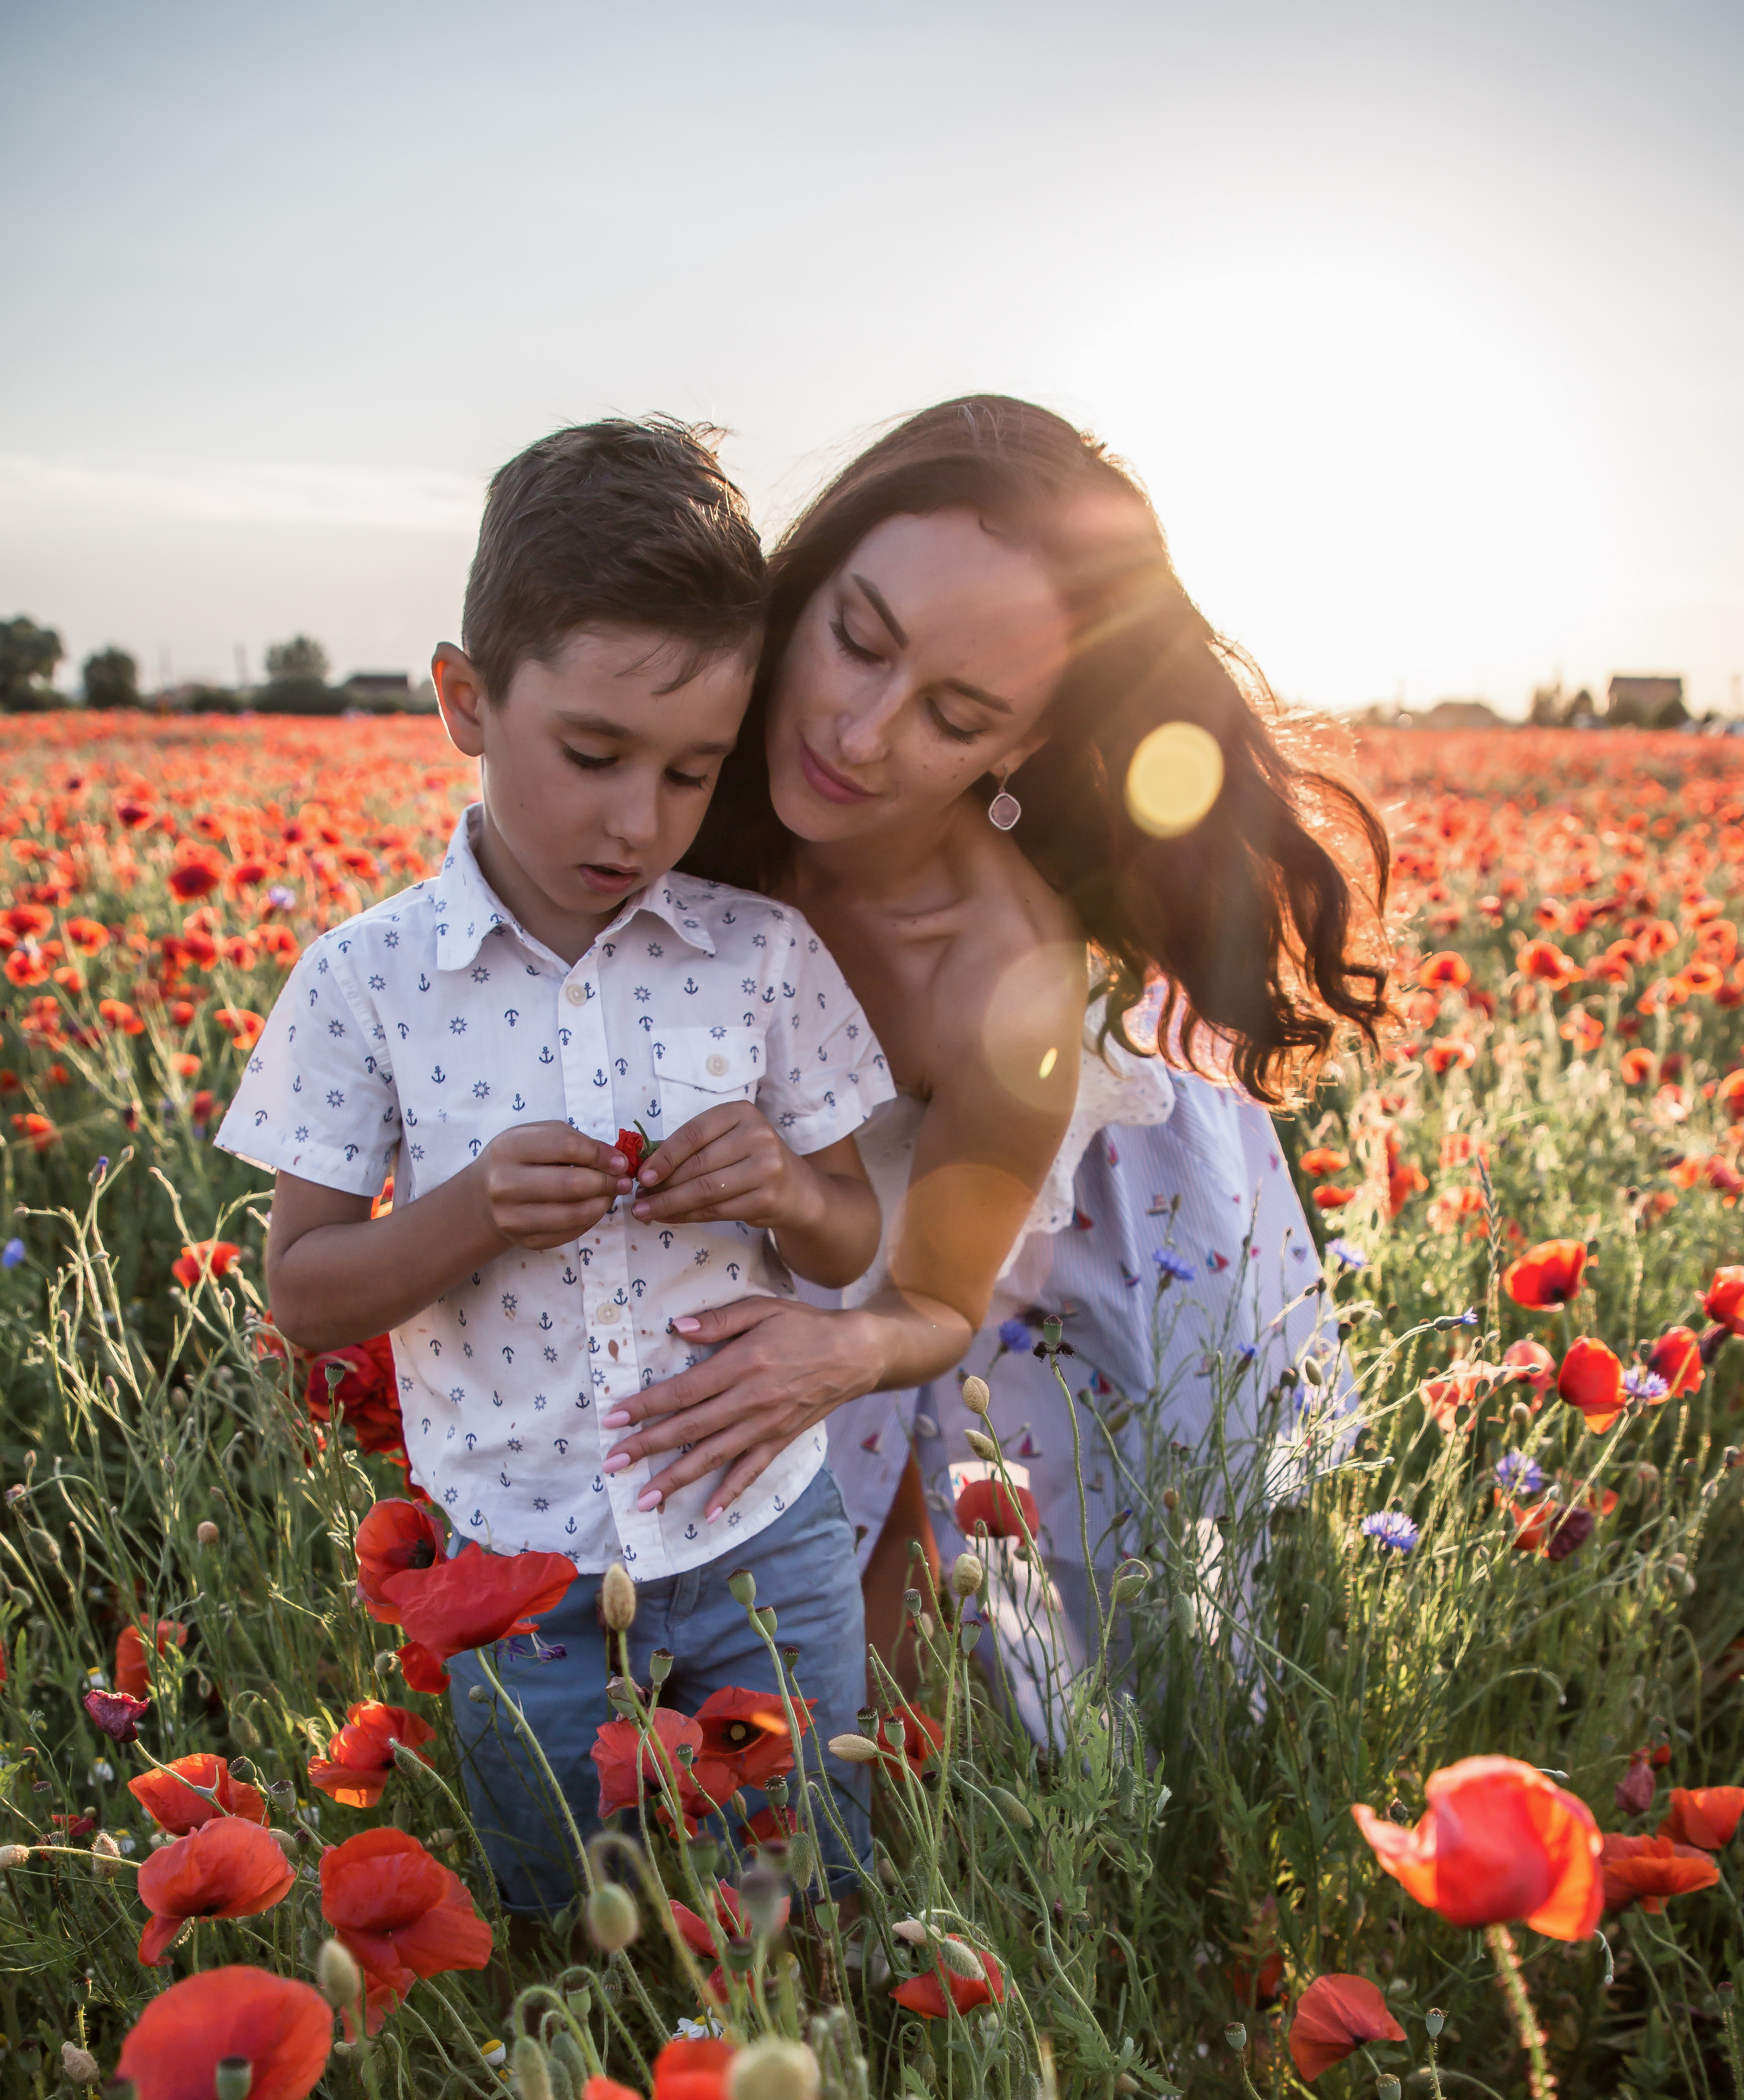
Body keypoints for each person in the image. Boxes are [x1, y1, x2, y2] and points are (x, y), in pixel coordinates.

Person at [590, 397, 1389, 1727]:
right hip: (840, 1208)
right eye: (855, 641)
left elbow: (927, 1307)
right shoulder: (684, 746)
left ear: (1017, 750)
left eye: (952, 717)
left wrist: (835, 1358)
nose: (859, 733)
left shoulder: (1002, 976)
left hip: (1060, 1196)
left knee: (1034, 1581)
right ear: (808, 581)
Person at [218, 419, 892, 1913]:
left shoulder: (762, 957)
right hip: (518, 1576)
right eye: (591, 753)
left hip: (758, 1534)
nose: (638, 818)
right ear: (464, 697)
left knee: (801, 1908)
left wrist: (782, 1185)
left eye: (689, 770)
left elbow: (850, 1240)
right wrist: (463, 1217)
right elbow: (308, 1293)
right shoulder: (364, 979)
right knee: (567, 1920)